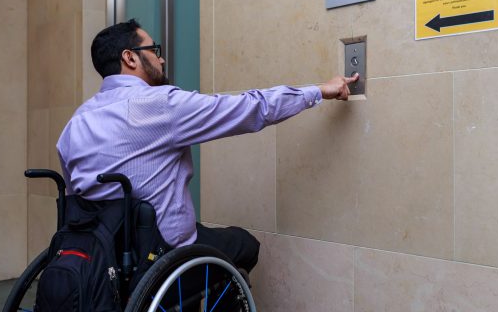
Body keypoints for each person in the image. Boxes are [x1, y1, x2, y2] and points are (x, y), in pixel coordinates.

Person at [57, 19, 358, 274]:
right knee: (244, 245)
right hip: (159, 256)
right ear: (130, 58)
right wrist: (319, 90)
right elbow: (252, 108)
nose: (161, 59)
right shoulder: (159, 105)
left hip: (102, 259)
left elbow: (79, 196)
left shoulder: (76, 123)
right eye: (154, 50)